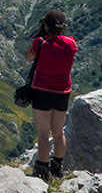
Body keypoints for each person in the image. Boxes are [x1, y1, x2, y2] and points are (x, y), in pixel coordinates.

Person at [25, 9, 77, 181]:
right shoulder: (71, 44)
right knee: (58, 132)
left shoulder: (40, 42)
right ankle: (57, 167)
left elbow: (28, 58)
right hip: (62, 92)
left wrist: (40, 37)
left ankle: (42, 168)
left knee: (42, 134)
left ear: (45, 26)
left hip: (42, 91)